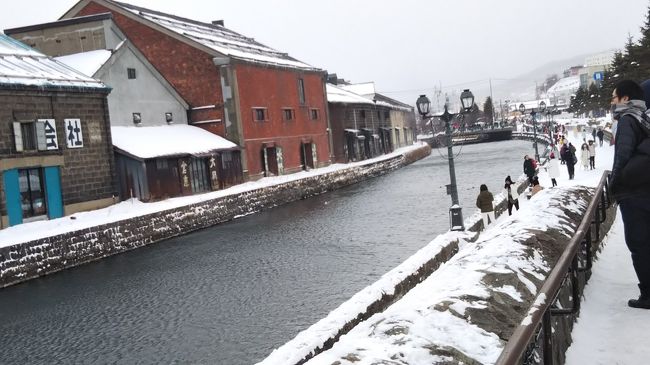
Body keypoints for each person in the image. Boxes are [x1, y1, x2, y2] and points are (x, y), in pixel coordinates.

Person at [610, 79, 650, 309]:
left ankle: (647, 295)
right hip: (645, 187)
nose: (612, 102)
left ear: (626, 99)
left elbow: (622, 156)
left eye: (614, 97)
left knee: (639, 243)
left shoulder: (627, 119)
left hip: (633, 193)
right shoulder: (644, 117)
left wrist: (615, 184)